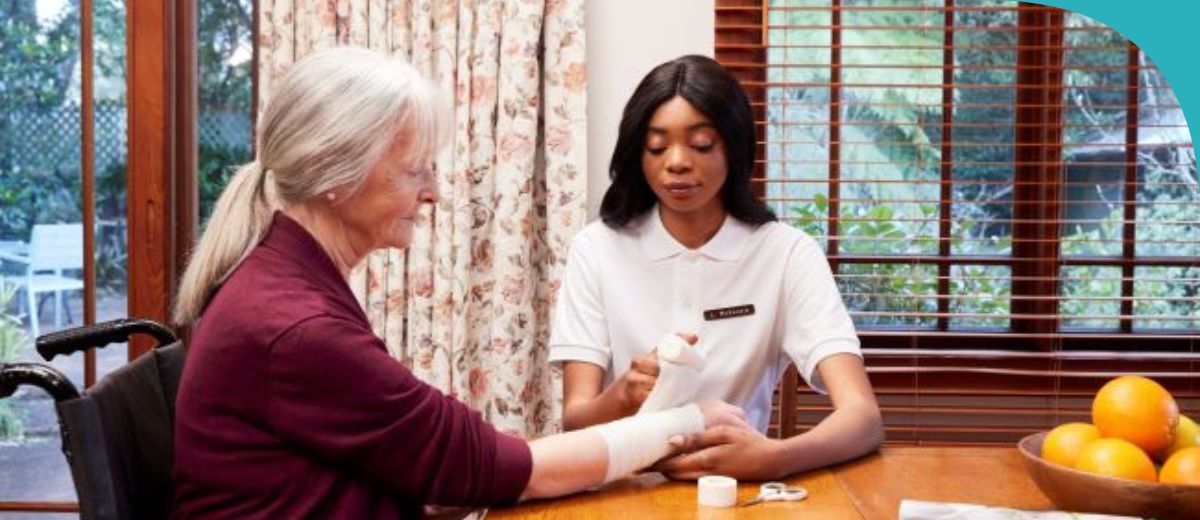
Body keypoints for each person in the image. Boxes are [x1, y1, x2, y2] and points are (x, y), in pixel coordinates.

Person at [170, 47, 749, 519]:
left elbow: (445, 461)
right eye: (413, 168)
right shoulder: (296, 327)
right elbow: (494, 468)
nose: (432, 192)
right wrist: (687, 423)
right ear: (335, 176)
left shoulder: (288, 280)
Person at [549, 55, 884, 480]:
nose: (676, 162)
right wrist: (623, 394)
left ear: (734, 146)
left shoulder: (785, 254)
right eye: (656, 147)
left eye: (702, 144)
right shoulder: (597, 249)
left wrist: (773, 458)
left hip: (736, 493)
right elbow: (575, 423)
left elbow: (863, 418)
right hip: (619, 496)